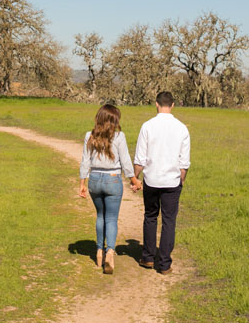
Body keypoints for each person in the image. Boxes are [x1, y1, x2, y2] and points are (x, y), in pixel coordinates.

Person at [78, 104, 141, 275]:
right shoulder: (119, 137)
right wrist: (135, 181)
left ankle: (99, 251)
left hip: (95, 179)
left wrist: (82, 183)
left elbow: (85, 161)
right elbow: (126, 162)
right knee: (111, 219)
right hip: (113, 179)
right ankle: (110, 253)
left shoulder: (89, 136)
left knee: (100, 216)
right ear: (115, 120)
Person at [133, 91, 190, 275]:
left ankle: (148, 257)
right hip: (172, 181)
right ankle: (164, 263)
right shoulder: (182, 128)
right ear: (172, 105)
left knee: (150, 216)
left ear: (156, 104)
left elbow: (140, 158)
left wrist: (135, 178)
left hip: (151, 179)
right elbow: (184, 162)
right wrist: (181, 180)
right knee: (169, 221)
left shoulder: (147, 126)